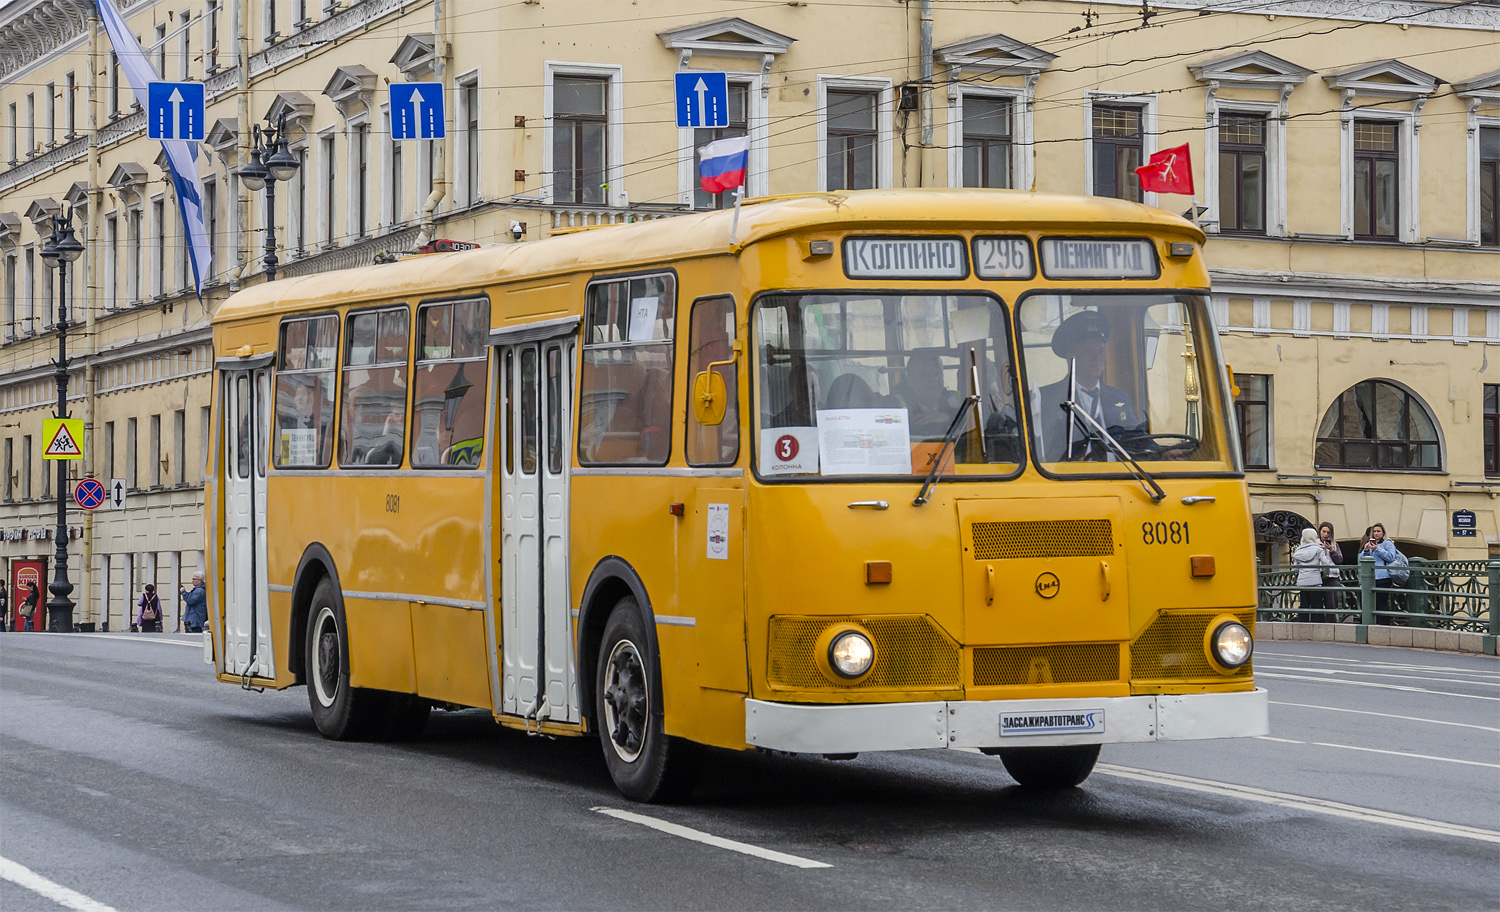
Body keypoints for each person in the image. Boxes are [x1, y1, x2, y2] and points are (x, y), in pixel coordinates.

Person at [1031, 311, 1145, 461]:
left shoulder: (1119, 398)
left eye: (1100, 351)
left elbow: (1139, 440)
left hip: (1117, 477)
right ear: (1071, 356)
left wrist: (1165, 452)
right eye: (1088, 351)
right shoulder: (1045, 399)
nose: (1097, 358)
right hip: (1068, 480)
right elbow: (1040, 449)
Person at [893, 350, 963, 437]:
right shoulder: (895, 402)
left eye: (937, 373)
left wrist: (946, 417)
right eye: (925, 374)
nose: (934, 379)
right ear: (910, 379)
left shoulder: (959, 398)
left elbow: (974, 421)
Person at [1291, 527, 1333, 622]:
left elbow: (1295, 569)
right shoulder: (1318, 549)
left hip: (1302, 583)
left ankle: (1303, 626)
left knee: (1304, 605)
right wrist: (1325, 574)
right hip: (1315, 581)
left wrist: (1301, 573)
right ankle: (1317, 626)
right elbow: (1326, 564)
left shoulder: (1298, 551)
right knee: (1317, 606)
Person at [1361, 523, 1398, 623]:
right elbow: (1361, 560)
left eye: (1378, 531)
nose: (1376, 533)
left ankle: (1383, 625)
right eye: (1374, 531)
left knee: (1382, 603)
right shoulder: (1369, 543)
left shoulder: (1387, 543)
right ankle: (1372, 624)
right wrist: (1366, 550)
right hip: (1371, 578)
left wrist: (1377, 549)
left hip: (1383, 577)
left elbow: (1391, 557)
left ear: (1383, 533)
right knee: (1371, 604)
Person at [1317, 522, 1345, 619]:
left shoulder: (1334, 545)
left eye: (1328, 533)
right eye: (1323, 532)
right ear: (1319, 531)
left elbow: (1339, 560)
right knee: (1317, 603)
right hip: (1318, 575)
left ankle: (1332, 624)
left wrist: (1331, 550)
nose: (1325, 535)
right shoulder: (1315, 544)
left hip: (1331, 576)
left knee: (1331, 603)